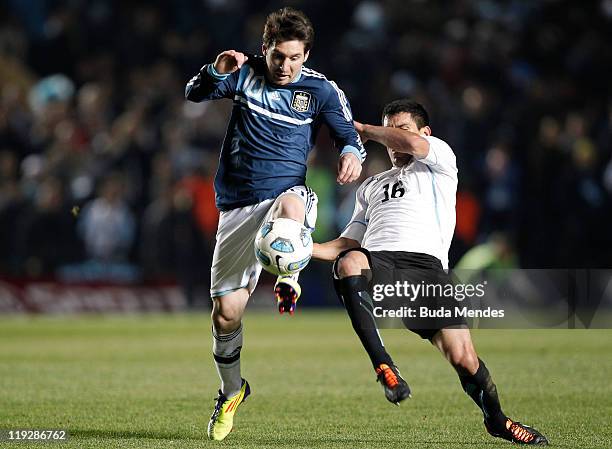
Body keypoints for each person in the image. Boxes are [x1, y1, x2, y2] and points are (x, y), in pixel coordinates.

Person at [312, 99, 548, 445]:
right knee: (348, 263)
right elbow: (347, 243)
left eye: (400, 129)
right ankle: (385, 367)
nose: (393, 140)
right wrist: (304, 248)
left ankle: (497, 421)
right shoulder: (370, 187)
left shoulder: (439, 159)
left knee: (464, 358)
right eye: (389, 129)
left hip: (429, 273)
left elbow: (412, 145)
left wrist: (363, 130)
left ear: (425, 131)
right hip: (383, 266)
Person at [184, 7, 365, 441]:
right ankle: (232, 390)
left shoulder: (320, 89)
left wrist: (351, 155)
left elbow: (349, 134)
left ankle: (290, 273)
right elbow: (194, 93)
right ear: (264, 49)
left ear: (306, 55)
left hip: (286, 195)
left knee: (291, 209)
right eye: (278, 57)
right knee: (226, 314)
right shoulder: (244, 73)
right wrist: (215, 70)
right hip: (236, 208)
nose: (286, 67)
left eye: (295, 58)